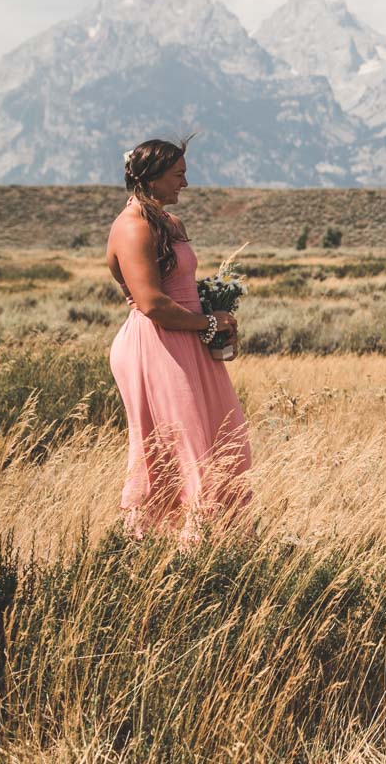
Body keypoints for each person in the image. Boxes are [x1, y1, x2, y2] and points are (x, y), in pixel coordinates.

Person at [107, 138, 251, 542]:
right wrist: (207, 322)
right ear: (152, 179)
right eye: (179, 175)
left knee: (222, 435)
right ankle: (169, 546)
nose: (185, 184)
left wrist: (215, 319)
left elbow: (181, 288)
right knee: (182, 446)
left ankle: (221, 541)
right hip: (156, 344)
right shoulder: (132, 227)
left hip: (187, 337)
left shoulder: (171, 225)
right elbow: (151, 303)